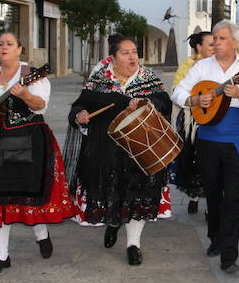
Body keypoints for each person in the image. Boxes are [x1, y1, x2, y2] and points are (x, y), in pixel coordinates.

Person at [0, 32, 78, 275]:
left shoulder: (30, 75)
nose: (4, 47)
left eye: (9, 44)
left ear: (20, 49)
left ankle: (41, 233)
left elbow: (40, 105)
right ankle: (1, 255)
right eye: (1, 43)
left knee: (27, 193)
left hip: (27, 140)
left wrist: (24, 94)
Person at [65, 36, 172, 266]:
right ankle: (113, 223)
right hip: (107, 149)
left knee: (139, 191)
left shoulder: (148, 78)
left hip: (140, 147)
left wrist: (148, 101)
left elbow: (165, 102)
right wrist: (79, 115)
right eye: (125, 53)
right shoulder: (100, 79)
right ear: (113, 58)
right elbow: (80, 104)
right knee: (113, 191)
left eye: (134, 52)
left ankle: (133, 244)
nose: (132, 56)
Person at [173, 20, 239, 274]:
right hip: (208, 138)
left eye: (221, 38)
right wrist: (195, 99)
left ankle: (229, 255)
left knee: (232, 195)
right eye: (214, 39)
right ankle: (215, 237)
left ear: (235, 43)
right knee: (212, 192)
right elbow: (177, 92)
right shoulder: (202, 67)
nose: (216, 42)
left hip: (235, 140)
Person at [172, 32, 215, 214]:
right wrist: (195, 98)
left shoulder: (220, 64)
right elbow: (176, 90)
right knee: (192, 158)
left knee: (212, 161)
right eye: (211, 44)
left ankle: (211, 205)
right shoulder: (188, 65)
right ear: (199, 47)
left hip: (214, 118)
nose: (215, 47)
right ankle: (194, 197)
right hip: (192, 119)